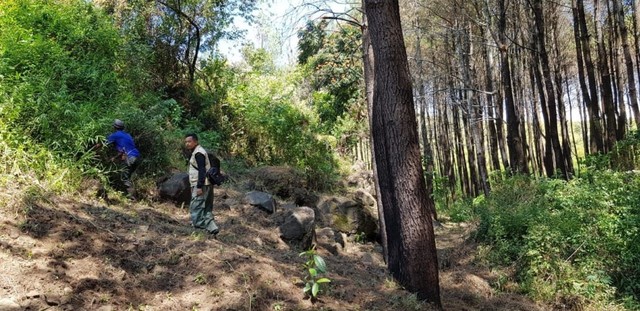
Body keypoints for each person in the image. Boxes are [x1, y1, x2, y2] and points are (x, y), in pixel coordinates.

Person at [95, 119, 141, 198]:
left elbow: (103, 143)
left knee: (124, 178)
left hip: (130, 157)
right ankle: (132, 196)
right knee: (127, 177)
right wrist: (114, 158)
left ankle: (133, 198)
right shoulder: (128, 135)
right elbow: (124, 150)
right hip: (137, 157)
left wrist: (93, 148)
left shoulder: (115, 135)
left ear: (114, 127)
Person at [184, 133, 219, 236]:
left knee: (196, 206)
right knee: (207, 207)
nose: (187, 144)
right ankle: (212, 228)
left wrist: (199, 186)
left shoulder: (199, 153)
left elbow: (202, 170)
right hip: (207, 184)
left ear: (196, 142)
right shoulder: (198, 151)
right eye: (186, 142)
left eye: (189, 141)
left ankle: (199, 229)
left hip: (201, 184)